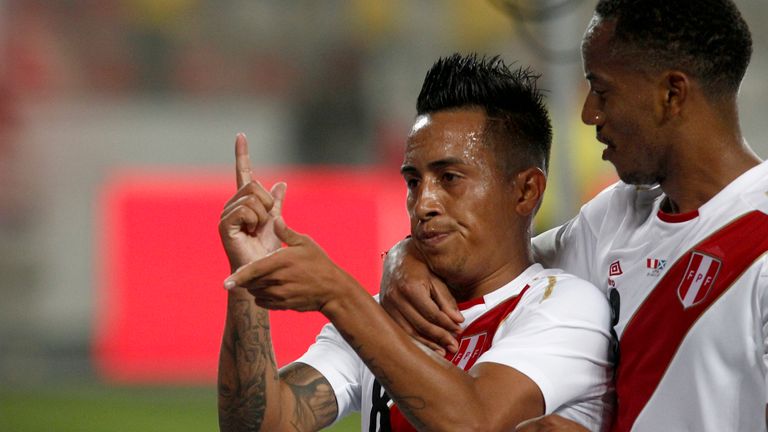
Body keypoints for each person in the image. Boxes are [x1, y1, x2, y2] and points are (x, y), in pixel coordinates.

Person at [379, 1, 768, 431]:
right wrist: (405, 257)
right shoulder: (616, 217)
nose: (589, 115)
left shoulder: (760, 237)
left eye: (601, 91)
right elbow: (498, 255)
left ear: (671, 94)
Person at [217, 54, 614, 432]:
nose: (423, 203)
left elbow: (473, 421)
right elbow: (263, 424)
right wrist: (248, 283)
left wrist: (339, 296)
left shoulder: (567, 309)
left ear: (526, 190)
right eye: (413, 182)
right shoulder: (385, 315)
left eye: (450, 178)